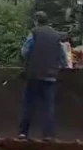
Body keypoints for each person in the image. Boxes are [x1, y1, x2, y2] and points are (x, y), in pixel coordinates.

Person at [18, 11, 70, 140]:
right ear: (47, 21)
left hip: (34, 75)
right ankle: (48, 135)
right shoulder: (56, 35)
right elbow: (62, 56)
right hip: (51, 76)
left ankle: (23, 133)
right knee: (48, 106)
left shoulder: (34, 33)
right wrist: (65, 67)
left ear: (36, 21)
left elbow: (25, 51)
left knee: (28, 104)